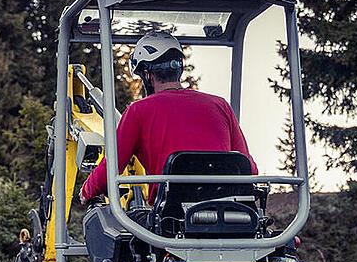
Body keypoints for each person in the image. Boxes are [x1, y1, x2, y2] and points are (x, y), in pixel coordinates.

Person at [78, 31, 257, 204]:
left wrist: (87, 191)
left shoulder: (138, 111)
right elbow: (250, 167)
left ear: (147, 75)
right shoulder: (220, 105)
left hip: (171, 219)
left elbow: (111, 168)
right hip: (231, 212)